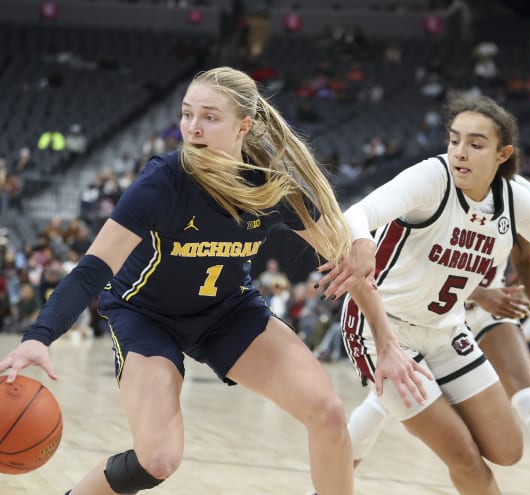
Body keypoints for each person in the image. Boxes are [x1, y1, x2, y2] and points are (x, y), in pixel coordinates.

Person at [0, 66, 428, 495]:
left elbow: (350, 266)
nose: (193, 127)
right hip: (145, 316)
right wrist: (40, 335)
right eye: (187, 114)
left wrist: (387, 344)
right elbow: (93, 268)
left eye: (209, 117)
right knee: (159, 459)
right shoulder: (162, 182)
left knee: (329, 412)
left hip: (228, 312)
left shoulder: (271, 186)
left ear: (244, 126)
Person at [318, 95, 530, 495]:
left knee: (509, 449)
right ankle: (411, 424)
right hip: (384, 329)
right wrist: (360, 240)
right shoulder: (432, 177)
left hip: (446, 329)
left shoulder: (514, 201)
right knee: (462, 455)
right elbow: (355, 213)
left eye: (475, 144)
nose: (460, 153)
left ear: (503, 154)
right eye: (454, 140)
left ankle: (421, 413)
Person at [344, 177, 530, 495]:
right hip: (428, 308)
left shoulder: (525, 195)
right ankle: (329, 485)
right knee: (382, 406)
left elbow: (525, 263)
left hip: (483, 310)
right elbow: (425, 258)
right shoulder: (444, 182)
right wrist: (479, 293)